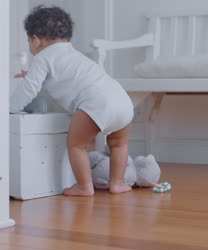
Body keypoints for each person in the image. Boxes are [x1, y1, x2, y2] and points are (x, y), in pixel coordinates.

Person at [10, 6, 134, 196]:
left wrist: (10, 107)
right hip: (122, 101)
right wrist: (32, 75)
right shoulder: (73, 54)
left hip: (96, 104)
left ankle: (84, 186)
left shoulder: (42, 57)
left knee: (77, 145)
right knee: (118, 144)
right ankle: (117, 184)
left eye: (29, 41)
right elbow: (60, 78)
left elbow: (29, 90)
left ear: (35, 40)